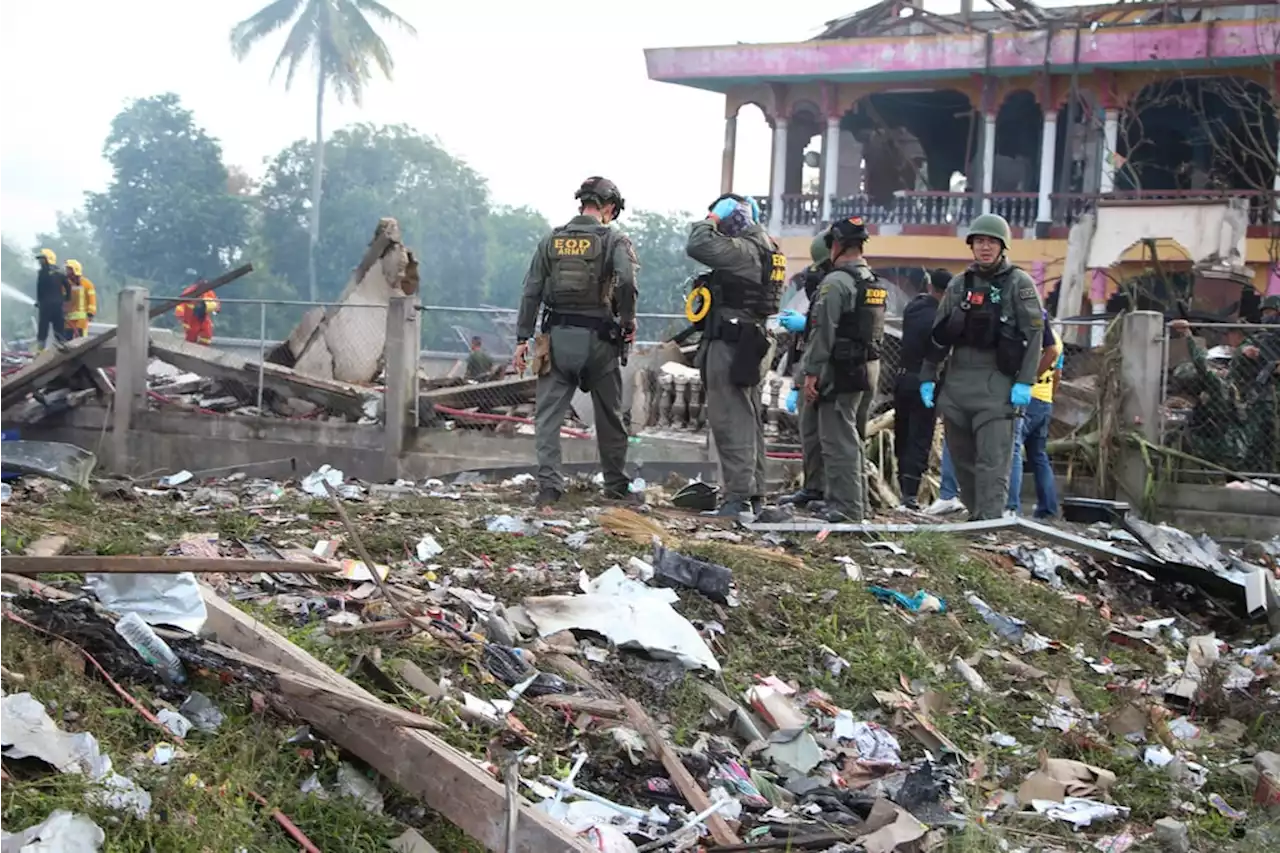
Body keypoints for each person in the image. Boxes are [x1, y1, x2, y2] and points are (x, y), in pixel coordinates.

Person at [513, 177, 639, 507]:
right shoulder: (614, 240)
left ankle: (549, 488)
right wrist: (627, 321)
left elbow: (531, 292)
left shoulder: (550, 241)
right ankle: (615, 486)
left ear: (582, 203)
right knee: (610, 417)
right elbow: (626, 282)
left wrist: (521, 338)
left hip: (556, 341)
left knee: (548, 418)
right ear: (609, 208)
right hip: (600, 342)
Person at [919, 213, 1044, 520]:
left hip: (997, 384)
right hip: (958, 383)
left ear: (1003, 246)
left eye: (991, 242)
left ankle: (989, 521)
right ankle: (977, 516)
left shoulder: (1019, 283)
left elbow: (1036, 333)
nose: (985, 248)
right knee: (962, 460)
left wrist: (1025, 381)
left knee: (993, 460)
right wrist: (927, 376)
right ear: (971, 246)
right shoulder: (960, 285)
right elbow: (939, 334)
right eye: (979, 242)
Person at [686, 192, 782, 518]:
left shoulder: (744, 249)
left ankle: (737, 498)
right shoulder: (767, 248)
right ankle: (753, 495)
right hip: (749, 341)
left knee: (730, 420)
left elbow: (697, 244)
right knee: (749, 418)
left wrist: (713, 218)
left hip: (732, 343)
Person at [800, 216, 887, 523]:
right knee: (853, 437)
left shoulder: (836, 282)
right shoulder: (871, 280)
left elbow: (824, 331)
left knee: (838, 439)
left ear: (834, 246)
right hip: (868, 365)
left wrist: (812, 373)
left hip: (841, 368)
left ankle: (846, 508)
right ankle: (856, 502)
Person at [778, 232, 833, 509]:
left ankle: (833, 494)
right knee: (810, 433)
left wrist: (807, 324)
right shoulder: (819, 280)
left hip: (831, 367)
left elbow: (828, 329)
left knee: (831, 438)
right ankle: (814, 488)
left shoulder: (841, 284)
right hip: (810, 361)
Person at [895, 267, 951, 509]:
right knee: (920, 437)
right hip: (926, 382)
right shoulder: (941, 317)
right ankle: (909, 494)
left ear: (930, 286)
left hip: (903, 378)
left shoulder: (912, 309)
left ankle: (901, 491)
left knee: (903, 434)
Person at [1006, 314, 1062, 518]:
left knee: (1013, 449)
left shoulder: (1030, 336)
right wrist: (1049, 397)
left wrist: (1027, 382)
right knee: (1038, 455)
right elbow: (1058, 374)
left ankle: (1011, 505)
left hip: (1026, 397)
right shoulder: (1058, 340)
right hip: (1045, 401)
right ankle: (1048, 507)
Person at [34, 248, 70, 351]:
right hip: (58, 305)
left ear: (48, 259)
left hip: (45, 306)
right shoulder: (60, 273)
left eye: (42, 259)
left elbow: (39, 288)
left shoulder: (42, 273)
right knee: (59, 329)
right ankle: (63, 350)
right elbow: (68, 286)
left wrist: (39, 302)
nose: (40, 262)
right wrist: (67, 298)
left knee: (43, 329)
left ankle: (40, 351)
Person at [174, 280, 220, 345]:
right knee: (192, 334)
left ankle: (203, 350)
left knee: (207, 332)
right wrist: (180, 314)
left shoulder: (209, 292)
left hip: (203, 316)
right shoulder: (191, 291)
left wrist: (216, 308)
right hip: (191, 316)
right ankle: (190, 349)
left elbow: (216, 301)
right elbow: (181, 302)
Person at [62, 260, 97, 339]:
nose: (67, 271)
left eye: (69, 269)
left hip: (81, 323)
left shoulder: (87, 284)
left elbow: (92, 301)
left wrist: (91, 313)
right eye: (67, 269)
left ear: (75, 270)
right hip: (68, 323)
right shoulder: (65, 285)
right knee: (68, 345)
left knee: (81, 344)